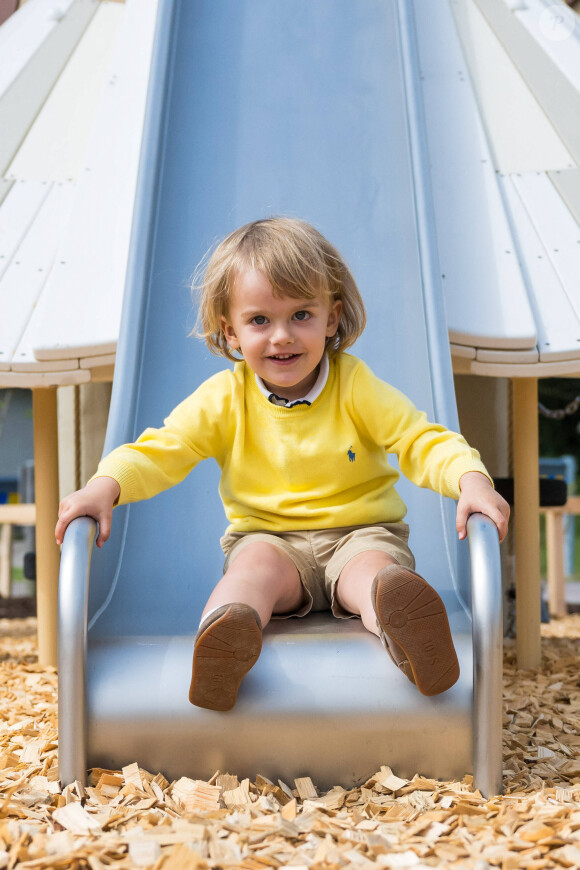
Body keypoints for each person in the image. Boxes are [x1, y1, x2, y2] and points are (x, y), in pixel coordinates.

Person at [55, 218, 509, 712]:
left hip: (359, 532)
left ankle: (406, 632)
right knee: (251, 573)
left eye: (301, 315)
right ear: (229, 331)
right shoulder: (225, 398)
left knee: (372, 575)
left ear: (332, 319)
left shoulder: (355, 385)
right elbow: (163, 449)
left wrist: (470, 478)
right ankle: (224, 640)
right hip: (268, 539)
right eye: (259, 321)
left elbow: (420, 438)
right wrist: (107, 485)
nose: (282, 337)